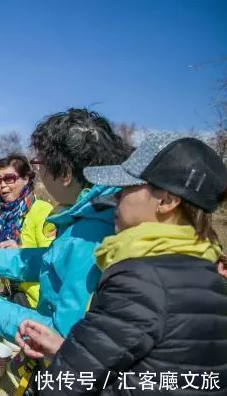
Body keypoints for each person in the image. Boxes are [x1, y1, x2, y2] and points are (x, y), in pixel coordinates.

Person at [15, 133, 227, 395]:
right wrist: (67, 350)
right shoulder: (206, 274)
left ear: (167, 201)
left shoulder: (142, 278)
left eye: (127, 187)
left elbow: (66, 386)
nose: (116, 197)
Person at [0, 108, 132, 340]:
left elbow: (63, 335)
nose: (40, 171)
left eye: (40, 163)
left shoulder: (90, 235)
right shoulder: (88, 215)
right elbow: (55, 261)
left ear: (65, 173)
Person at [0, 154, 56, 308]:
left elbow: (55, 260)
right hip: (12, 299)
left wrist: (20, 250)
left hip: (39, 305)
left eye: (9, 178)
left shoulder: (43, 211)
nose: (2, 185)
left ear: (26, 178)